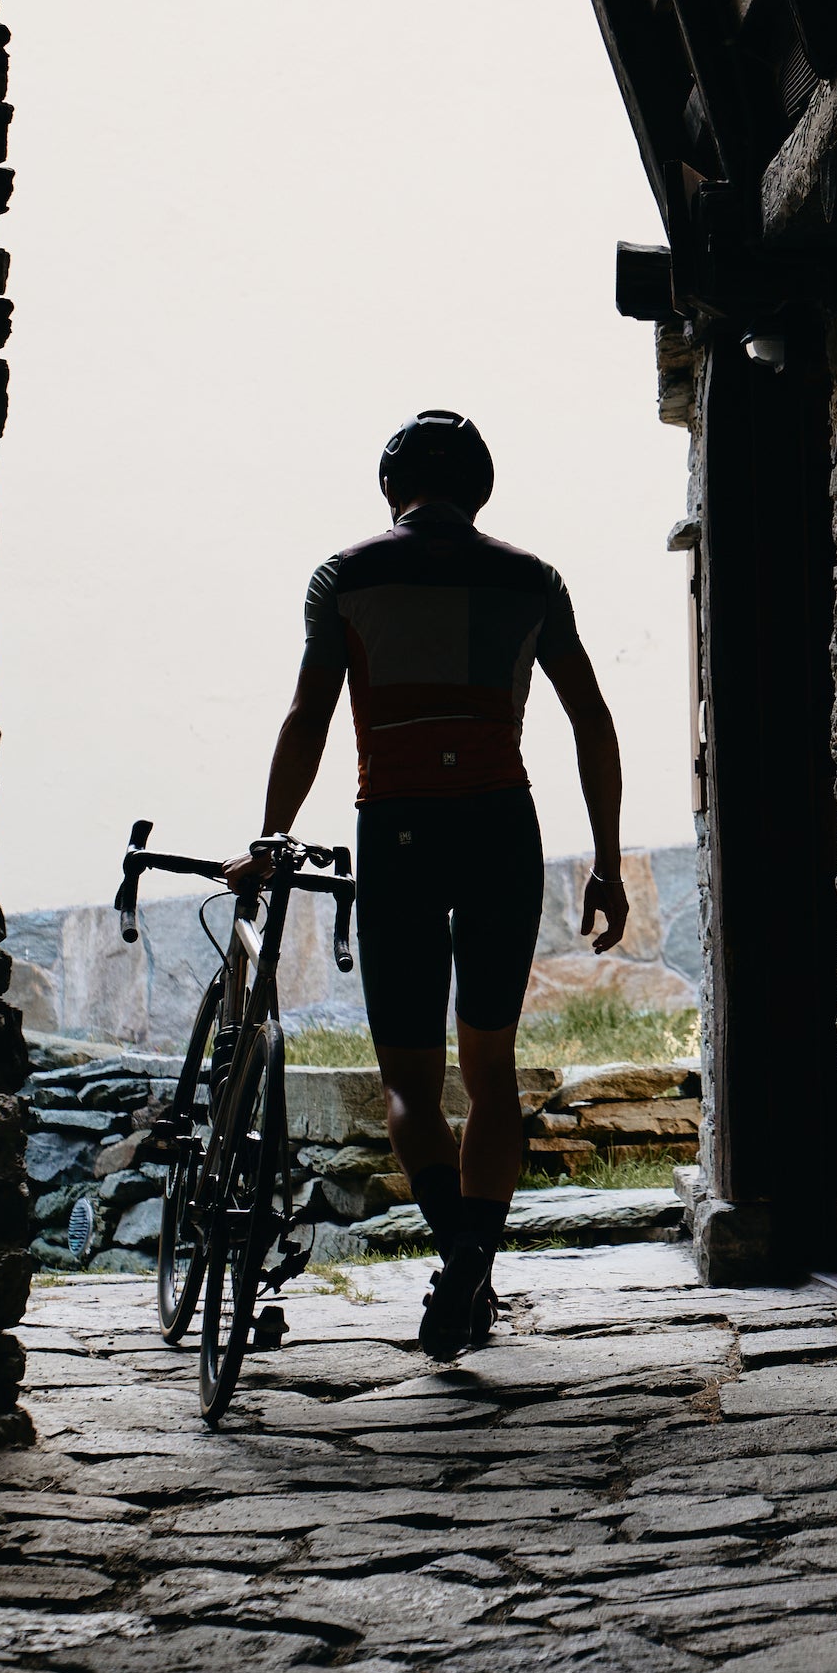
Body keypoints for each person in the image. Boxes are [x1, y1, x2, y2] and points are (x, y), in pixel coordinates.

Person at [225, 410, 628, 1359]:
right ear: (481, 490)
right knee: (489, 1071)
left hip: (398, 833)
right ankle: (473, 1269)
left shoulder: (346, 577)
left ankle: (460, 1270)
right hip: (500, 827)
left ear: (389, 487)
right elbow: (593, 722)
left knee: (410, 1080)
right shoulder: (532, 580)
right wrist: (607, 862)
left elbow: (308, 720)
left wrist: (272, 834)